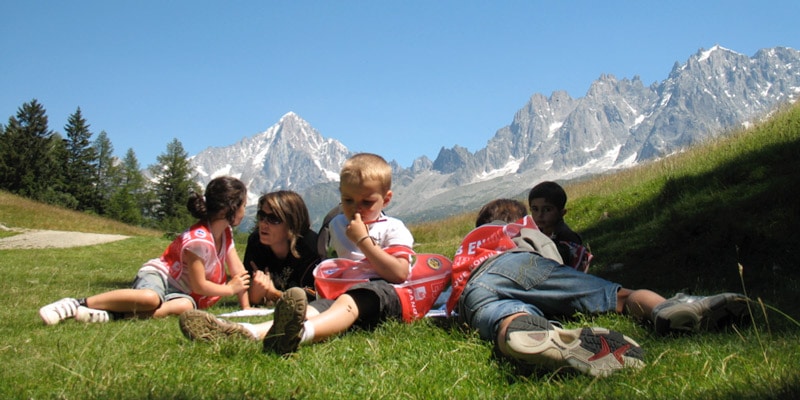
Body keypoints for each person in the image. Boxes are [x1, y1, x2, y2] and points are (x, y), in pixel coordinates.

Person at [447, 198, 750, 377]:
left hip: (475, 288)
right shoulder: (520, 229)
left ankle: (527, 332)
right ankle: (666, 308)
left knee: (505, 315)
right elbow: (550, 261)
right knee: (617, 295)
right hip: (521, 264)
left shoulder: (468, 246)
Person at [179, 153, 417, 356]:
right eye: (347, 200)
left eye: (367, 202)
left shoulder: (393, 228)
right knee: (312, 309)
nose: (356, 208)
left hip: (383, 293)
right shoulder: (336, 226)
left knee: (350, 300)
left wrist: (363, 241)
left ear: (385, 199)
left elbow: (399, 273)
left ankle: (299, 335)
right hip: (342, 293)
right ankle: (244, 331)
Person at [38, 176, 252, 324]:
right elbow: (200, 284)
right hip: (160, 277)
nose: (245, 208)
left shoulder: (225, 234)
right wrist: (229, 290)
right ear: (229, 209)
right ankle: (75, 304)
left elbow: (238, 273)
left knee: (186, 308)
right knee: (150, 299)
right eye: (243, 204)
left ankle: (113, 316)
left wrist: (246, 307)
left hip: (181, 292)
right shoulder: (199, 241)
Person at [244, 190, 321, 305]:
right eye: (262, 216)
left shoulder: (311, 248)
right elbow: (246, 287)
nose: (264, 224)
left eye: (273, 219)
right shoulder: (256, 243)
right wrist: (254, 297)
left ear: (292, 223)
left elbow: (315, 297)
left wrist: (273, 294)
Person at [528, 181, 591, 271]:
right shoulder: (536, 231)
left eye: (547, 209)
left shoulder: (566, 239)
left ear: (562, 213)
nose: (540, 215)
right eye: (535, 209)